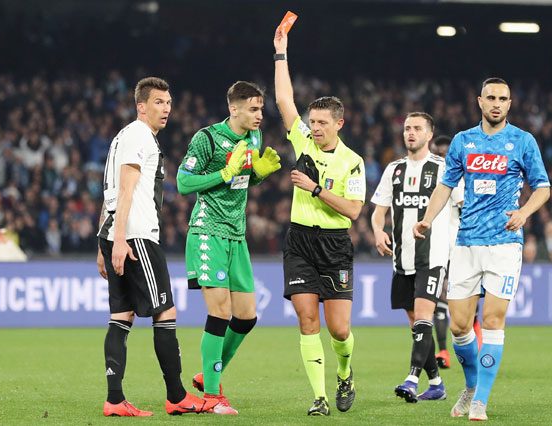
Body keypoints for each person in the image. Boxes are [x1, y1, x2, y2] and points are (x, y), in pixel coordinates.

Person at [414, 77, 550, 421]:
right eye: (491, 97)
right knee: (460, 326)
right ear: (479, 101)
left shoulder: (522, 141)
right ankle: (472, 386)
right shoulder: (463, 141)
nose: (496, 103)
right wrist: (427, 220)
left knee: (491, 320)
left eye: (503, 98)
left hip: (504, 244)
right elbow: (446, 186)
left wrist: (523, 212)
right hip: (466, 243)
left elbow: (543, 188)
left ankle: (480, 401)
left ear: (509, 103)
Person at [97, 77, 211, 417]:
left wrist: (101, 245)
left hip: (117, 233)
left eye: (169, 103)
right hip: (136, 236)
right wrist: (119, 241)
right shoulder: (138, 135)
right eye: (159, 102)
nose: (166, 109)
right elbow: (127, 190)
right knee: (165, 312)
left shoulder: (122, 137)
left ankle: (114, 401)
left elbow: (110, 193)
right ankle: (177, 396)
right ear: (141, 106)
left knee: (121, 315)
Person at [274, 27, 365, 416]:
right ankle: (320, 397)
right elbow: (283, 100)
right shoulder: (303, 143)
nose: (314, 127)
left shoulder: (352, 162)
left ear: (338, 124)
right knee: (306, 317)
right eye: (312, 121)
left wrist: (314, 189)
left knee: (339, 330)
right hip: (300, 243)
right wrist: (281, 53)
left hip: (334, 245)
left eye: (322, 122)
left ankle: (345, 372)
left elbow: (353, 211)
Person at [176, 81, 281, 415]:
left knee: (247, 317)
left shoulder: (253, 138)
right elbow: (182, 182)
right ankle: (211, 395)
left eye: (261, 109)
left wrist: (258, 177)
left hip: (237, 236)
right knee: (219, 312)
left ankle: (208, 372)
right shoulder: (206, 139)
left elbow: (242, 179)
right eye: (253, 109)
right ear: (233, 108)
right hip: (208, 232)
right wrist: (224, 171)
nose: (260, 115)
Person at [371, 113, 455, 403]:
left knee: (422, 317)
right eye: (407, 128)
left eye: (417, 128)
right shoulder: (394, 169)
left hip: (432, 257)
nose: (411, 133)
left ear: (429, 134)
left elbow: (462, 207)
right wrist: (378, 230)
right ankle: (436, 383)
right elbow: (379, 209)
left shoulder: (444, 169)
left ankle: (411, 379)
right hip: (402, 259)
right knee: (417, 325)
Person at [429, 136, 481, 367]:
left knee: (466, 302)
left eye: (444, 152)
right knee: (438, 300)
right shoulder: (428, 175)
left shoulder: (456, 178)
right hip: (433, 248)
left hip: (457, 248)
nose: (441, 157)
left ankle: (475, 341)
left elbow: (465, 208)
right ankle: (443, 352)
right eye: (437, 152)